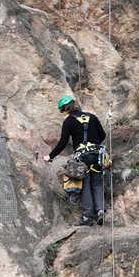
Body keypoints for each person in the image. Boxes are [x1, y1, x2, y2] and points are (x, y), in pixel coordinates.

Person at [44, 96, 107, 226]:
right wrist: (93, 145)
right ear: (75, 104)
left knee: (84, 186)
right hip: (97, 155)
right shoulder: (92, 117)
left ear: (65, 110)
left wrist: (50, 156)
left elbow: (63, 142)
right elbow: (103, 135)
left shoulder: (69, 121)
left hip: (82, 157)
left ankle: (87, 217)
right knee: (97, 184)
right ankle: (100, 211)